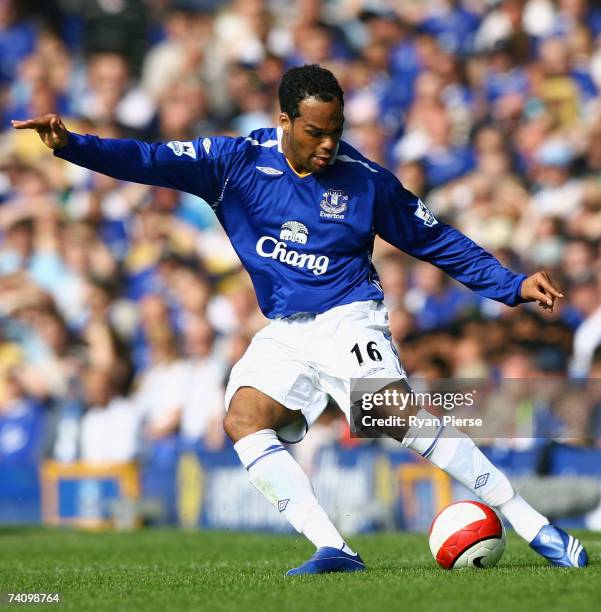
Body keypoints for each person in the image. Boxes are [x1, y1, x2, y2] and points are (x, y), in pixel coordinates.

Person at [12, 64, 588, 574]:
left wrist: (510, 284)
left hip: (349, 315)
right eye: (315, 131)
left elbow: (436, 240)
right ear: (283, 119)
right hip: (288, 329)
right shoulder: (233, 163)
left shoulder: (365, 179)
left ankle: (533, 523)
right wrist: (71, 145)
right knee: (243, 418)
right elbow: (149, 159)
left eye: (336, 130)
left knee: (392, 413)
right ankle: (335, 548)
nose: (328, 144)